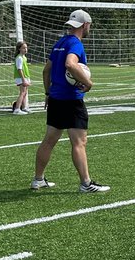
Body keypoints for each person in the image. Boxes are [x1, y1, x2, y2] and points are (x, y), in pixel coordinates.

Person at [32, 10, 109, 193]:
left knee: (49, 140)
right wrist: (88, 83)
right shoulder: (75, 44)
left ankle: (38, 180)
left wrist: (48, 92)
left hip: (56, 99)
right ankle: (86, 183)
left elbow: (46, 70)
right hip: (71, 100)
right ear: (85, 25)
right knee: (79, 142)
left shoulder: (60, 42)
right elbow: (70, 64)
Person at [12, 40, 31, 115]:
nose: (25, 49)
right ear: (19, 49)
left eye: (26, 48)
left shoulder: (24, 57)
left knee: (25, 92)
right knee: (22, 93)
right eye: (23, 48)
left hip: (25, 77)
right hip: (20, 78)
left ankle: (24, 107)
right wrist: (23, 80)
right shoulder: (19, 58)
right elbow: (19, 69)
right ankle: (17, 109)